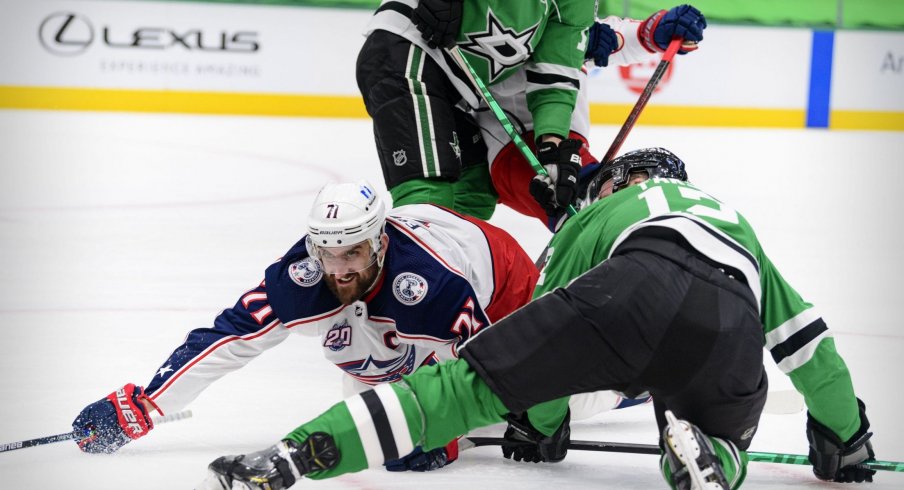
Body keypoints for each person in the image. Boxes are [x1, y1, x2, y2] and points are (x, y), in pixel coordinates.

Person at [199, 149, 877, 490]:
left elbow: (553, 343)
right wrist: (846, 440)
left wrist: (538, 426)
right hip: (730, 317)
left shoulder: (600, 216)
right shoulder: (738, 226)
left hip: (633, 282)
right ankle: (715, 457)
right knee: (714, 419)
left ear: (624, 183)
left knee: (464, 385)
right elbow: (811, 352)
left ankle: (293, 459)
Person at [70, 180, 539, 471]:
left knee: (540, 390)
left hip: (498, 278)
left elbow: (486, 369)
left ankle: (611, 389)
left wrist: (453, 434)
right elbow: (230, 337)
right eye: (327, 253)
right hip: (407, 312)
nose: (338, 270)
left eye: (352, 252)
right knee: (372, 414)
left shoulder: (432, 285)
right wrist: (145, 405)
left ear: (379, 242)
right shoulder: (305, 273)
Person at [358, 1, 706, 228]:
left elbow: (567, 61)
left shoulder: (571, 13)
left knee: (465, 212)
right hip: (423, 61)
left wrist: (554, 149)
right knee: (429, 202)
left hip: (495, 113)